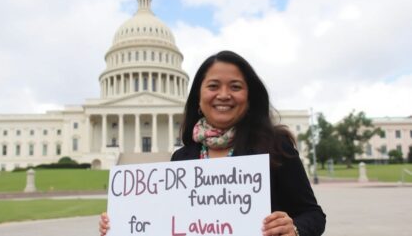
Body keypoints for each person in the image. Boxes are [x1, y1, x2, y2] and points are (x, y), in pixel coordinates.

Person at [99, 50, 326, 236]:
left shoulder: (274, 148)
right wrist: (120, 227)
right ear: (199, 96)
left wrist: (295, 229)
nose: (224, 95)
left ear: (249, 97)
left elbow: (313, 215)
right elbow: (167, 222)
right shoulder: (182, 158)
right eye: (213, 86)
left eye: (235, 87)